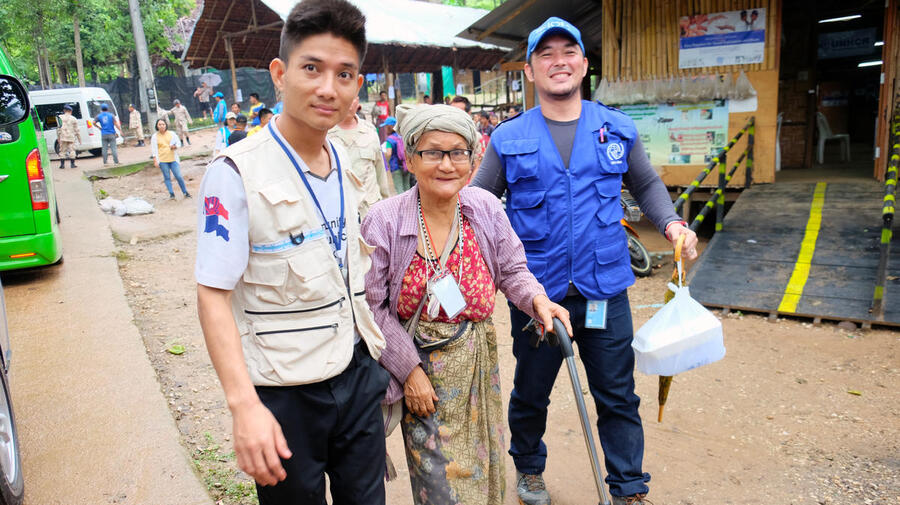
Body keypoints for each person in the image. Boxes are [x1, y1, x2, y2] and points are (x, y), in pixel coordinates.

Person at [471, 17, 699, 505]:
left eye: (568, 51)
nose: (559, 61)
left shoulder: (616, 128)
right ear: (530, 70)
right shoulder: (507, 139)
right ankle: (529, 470)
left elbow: (647, 186)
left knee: (617, 394)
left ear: (584, 63)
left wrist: (673, 225)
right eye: (545, 54)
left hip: (604, 289)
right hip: (537, 294)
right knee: (531, 393)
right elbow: (477, 205)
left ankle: (628, 487)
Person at [195, 1, 389, 503]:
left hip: (356, 369)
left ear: (357, 86)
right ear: (280, 74)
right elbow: (213, 294)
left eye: (344, 74)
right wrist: (244, 407)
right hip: (285, 393)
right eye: (312, 68)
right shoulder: (235, 171)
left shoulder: (344, 155)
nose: (328, 88)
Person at [361, 103, 572, 505]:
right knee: (442, 487)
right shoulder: (384, 219)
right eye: (433, 152)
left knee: (482, 471)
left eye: (459, 152)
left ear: (474, 159)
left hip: (478, 369)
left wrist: (538, 300)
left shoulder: (484, 208)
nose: (447, 164)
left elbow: (513, 270)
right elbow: (371, 309)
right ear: (410, 156)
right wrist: (409, 373)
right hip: (422, 379)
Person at [328, 96, 393, 218]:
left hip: (370, 210)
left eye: (352, 99)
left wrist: (386, 203)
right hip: (340, 213)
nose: (348, 104)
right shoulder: (325, 134)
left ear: (357, 101)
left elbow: (380, 171)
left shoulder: (370, 131)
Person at [150, 119, 190, 200]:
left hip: (173, 159)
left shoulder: (172, 134)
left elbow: (178, 143)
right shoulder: (154, 137)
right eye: (160, 124)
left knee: (178, 176)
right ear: (157, 126)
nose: (161, 126)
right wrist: (155, 160)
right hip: (162, 160)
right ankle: (171, 193)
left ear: (166, 125)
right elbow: (154, 149)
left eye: (163, 124)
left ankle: (185, 192)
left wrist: (175, 147)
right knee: (167, 177)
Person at [381, 117, 408, 194]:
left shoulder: (390, 140)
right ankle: (411, 204)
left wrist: (387, 162)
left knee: (399, 188)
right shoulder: (403, 136)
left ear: (389, 127)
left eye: (386, 126)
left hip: (395, 166)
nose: (385, 128)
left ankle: (403, 206)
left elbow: (389, 153)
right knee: (407, 187)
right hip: (406, 164)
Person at [57, 104, 81, 169]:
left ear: (64, 110)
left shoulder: (59, 117)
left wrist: (58, 137)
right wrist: (79, 139)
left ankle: (62, 165)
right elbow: (77, 130)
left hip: (63, 137)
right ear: (70, 111)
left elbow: (58, 129)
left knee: (62, 150)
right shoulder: (73, 118)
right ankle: (72, 164)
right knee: (72, 150)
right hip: (71, 137)